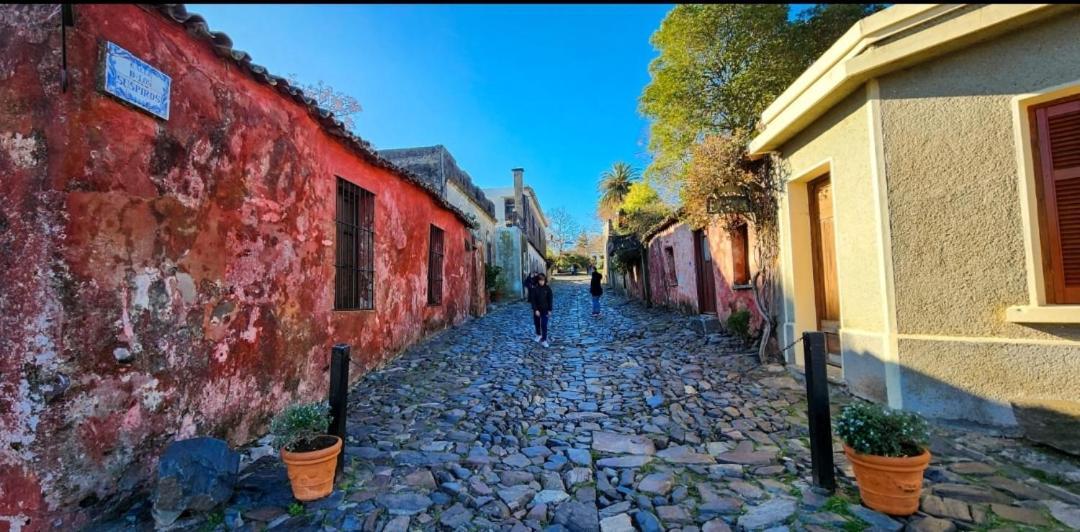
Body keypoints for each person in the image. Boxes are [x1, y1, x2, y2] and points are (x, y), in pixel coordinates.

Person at [528, 273, 554, 347]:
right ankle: (538, 334)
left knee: (544, 324)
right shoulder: (535, 289)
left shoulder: (548, 289)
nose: (541, 282)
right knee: (537, 323)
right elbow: (533, 300)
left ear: (545, 280)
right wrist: (535, 309)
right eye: (540, 280)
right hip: (537, 309)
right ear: (538, 281)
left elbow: (550, 299)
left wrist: (550, 309)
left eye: (543, 280)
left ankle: (544, 339)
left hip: (545, 309)